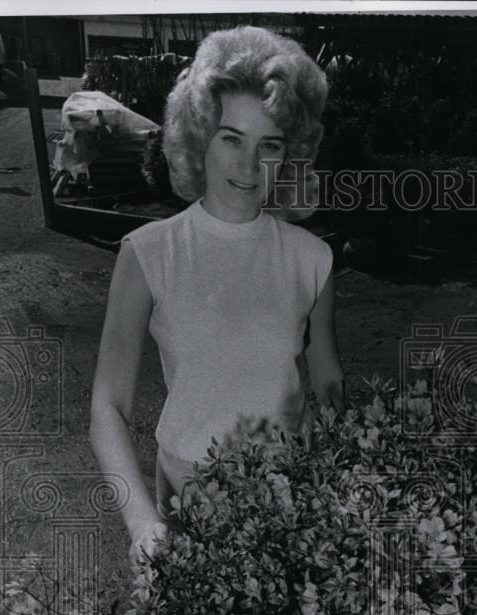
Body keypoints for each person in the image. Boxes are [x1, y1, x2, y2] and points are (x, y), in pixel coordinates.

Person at [89, 26, 346, 571]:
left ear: (290, 153)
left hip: (285, 506)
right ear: (199, 136)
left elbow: (327, 385)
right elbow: (107, 407)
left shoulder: (313, 259)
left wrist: (340, 479)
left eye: (268, 145)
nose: (249, 166)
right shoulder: (149, 253)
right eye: (231, 138)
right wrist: (142, 524)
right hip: (182, 504)